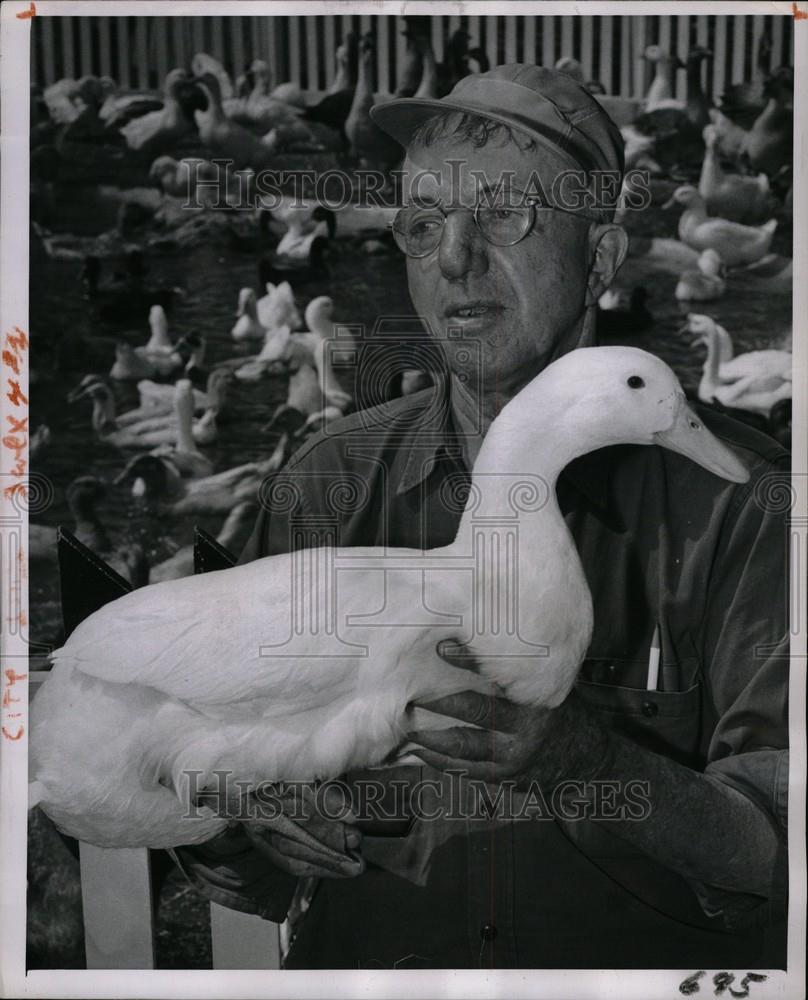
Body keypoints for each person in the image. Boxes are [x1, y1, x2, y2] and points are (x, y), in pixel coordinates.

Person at [170, 66, 789, 969]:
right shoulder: (329, 480)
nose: (455, 257)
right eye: (424, 226)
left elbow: (776, 852)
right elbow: (218, 816)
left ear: (603, 260)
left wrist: (587, 761)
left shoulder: (743, 508)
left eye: (503, 214)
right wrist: (244, 817)